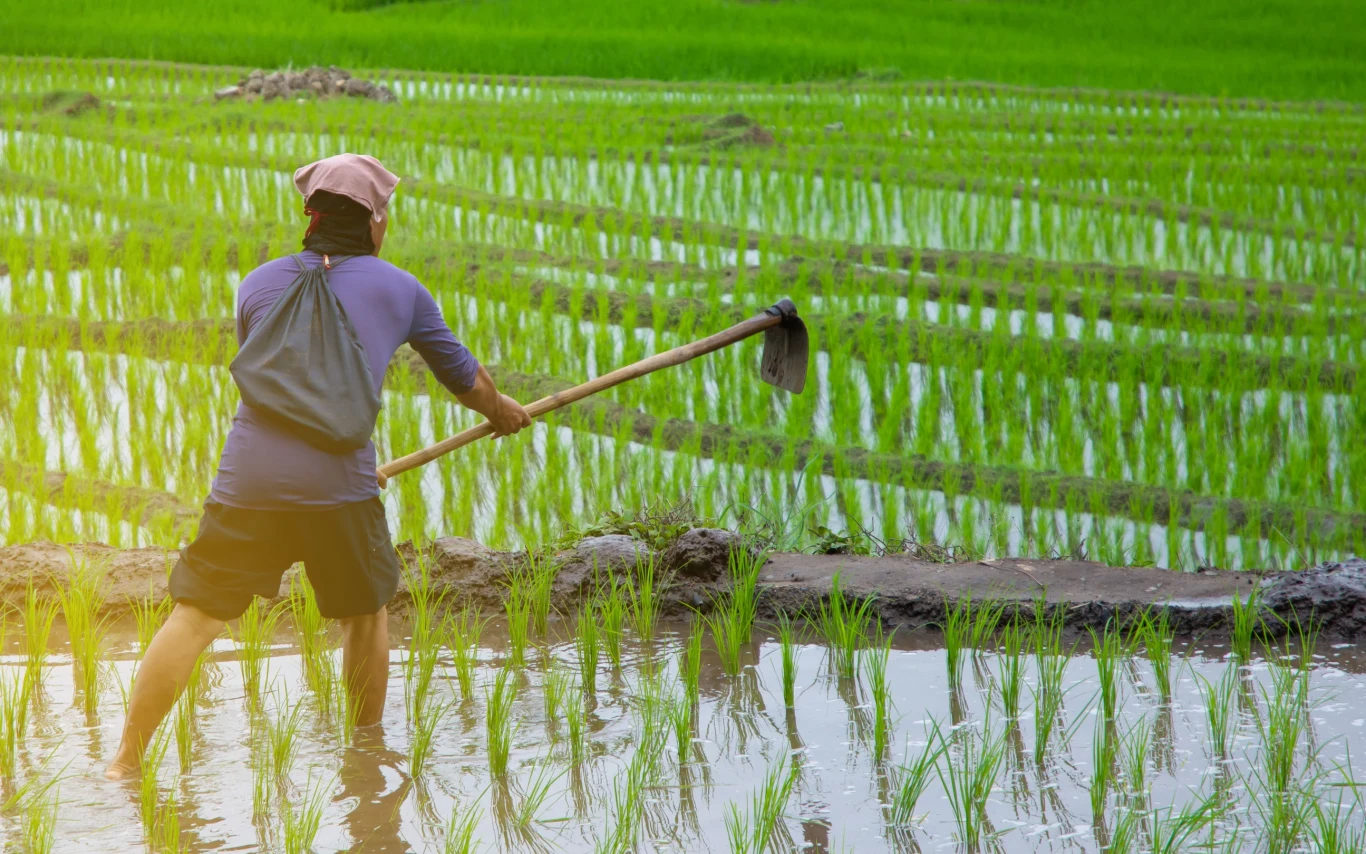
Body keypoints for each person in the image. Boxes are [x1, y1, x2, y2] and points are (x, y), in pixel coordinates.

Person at [104, 153, 531, 780]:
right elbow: (465, 380)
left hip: (248, 484)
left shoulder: (256, 283)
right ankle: (364, 762)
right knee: (365, 614)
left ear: (311, 218)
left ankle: (123, 761)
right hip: (340, 488)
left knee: (195, 615)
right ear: (376, 221)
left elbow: (290, 382)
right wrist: (502, 413)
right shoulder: (401, 289)